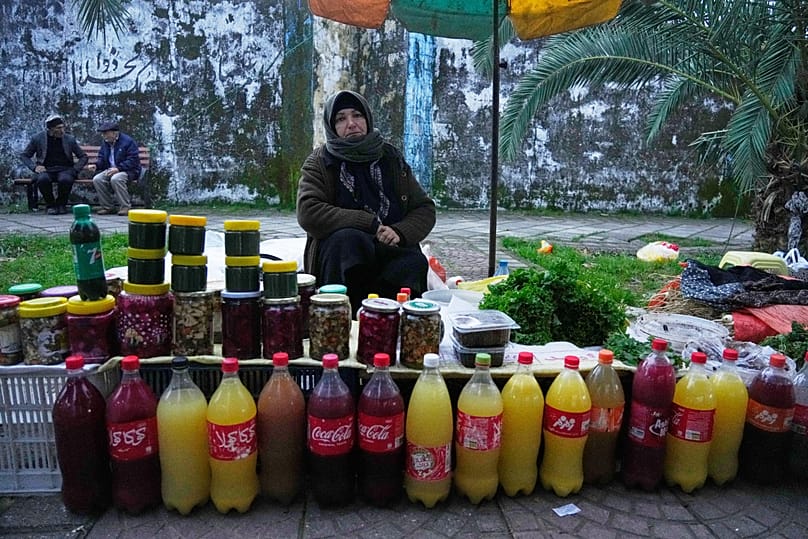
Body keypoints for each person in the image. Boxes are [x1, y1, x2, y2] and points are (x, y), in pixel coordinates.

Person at [297, 90, 436, 314]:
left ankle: (397, 321)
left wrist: (399, 232)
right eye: (341, 119)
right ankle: (343, 319)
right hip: (342, 252)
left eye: (357, 115)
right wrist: (366, 222)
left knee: (412, 261)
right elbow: (308, 211)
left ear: (368, 119)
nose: (351, 124)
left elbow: (424, 208)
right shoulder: (320, 162)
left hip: (389, 248)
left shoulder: (390, 157)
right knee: (348, 241)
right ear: (332, 127)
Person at [19, 114, 88, 215]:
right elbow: (24, 155)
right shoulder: (37, 138)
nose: (62, 130)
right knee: (42, 179)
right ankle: (50, 205)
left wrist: (75, 169)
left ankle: (61, 204)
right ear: (50, 129)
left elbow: (83, 156)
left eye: (63, 127)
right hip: (46, 169)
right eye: (58, 128)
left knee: (65, 179)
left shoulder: (69, 139)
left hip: (65, 169)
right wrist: (34, 167)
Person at [91, 121, 142, 215]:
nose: (104, 135)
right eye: (103, 133)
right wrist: (96, 165)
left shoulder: (128, 141)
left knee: (116, 178)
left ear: (114, 133)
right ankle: (107, 207)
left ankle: (125, 207)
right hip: (111, 169)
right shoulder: (106, 142)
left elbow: (133, 160)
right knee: (97, 179)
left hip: (128, 170)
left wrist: (118, 168)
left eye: (106, 133)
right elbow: (102, 157)